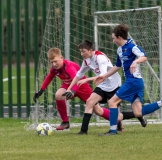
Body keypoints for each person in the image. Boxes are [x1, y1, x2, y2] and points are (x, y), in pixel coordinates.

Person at [63, 40, 147, 135]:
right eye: (81, 51)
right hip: (102, 86)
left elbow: (103, 75)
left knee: (118, 117)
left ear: (90, 50)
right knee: (89, 102)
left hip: (114, 85)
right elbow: (78, 75)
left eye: (84, 51)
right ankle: (83, 131)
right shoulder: (86, 61)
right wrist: (69, 89)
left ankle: (138, 115)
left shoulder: (100, 58)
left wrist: (87, 79)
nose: (82, 54)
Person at [94, 24, 162, 136]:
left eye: (113, 38)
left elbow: (144, 57)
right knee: (138, 112)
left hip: (133, 81)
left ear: (119, 37)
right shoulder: (119, 50)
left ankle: (113, 130)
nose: (113, 40)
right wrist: (104, 76)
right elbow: (117, 66)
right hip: (135, 82)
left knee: (112, 102)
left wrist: (135, 62)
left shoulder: (132, 46)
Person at [33, 47, 121, 131]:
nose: (54, 64)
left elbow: (77, 79)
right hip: (68, 87)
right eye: (51, 62)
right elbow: (49, 77)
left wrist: (72, 90)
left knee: (98, 111)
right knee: (58, 95)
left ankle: (116, 120)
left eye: (55, 61)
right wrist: (41, 90)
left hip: (82, 87)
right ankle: (65, 122)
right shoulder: (54, 69)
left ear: (61, 57)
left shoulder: (69, 67)